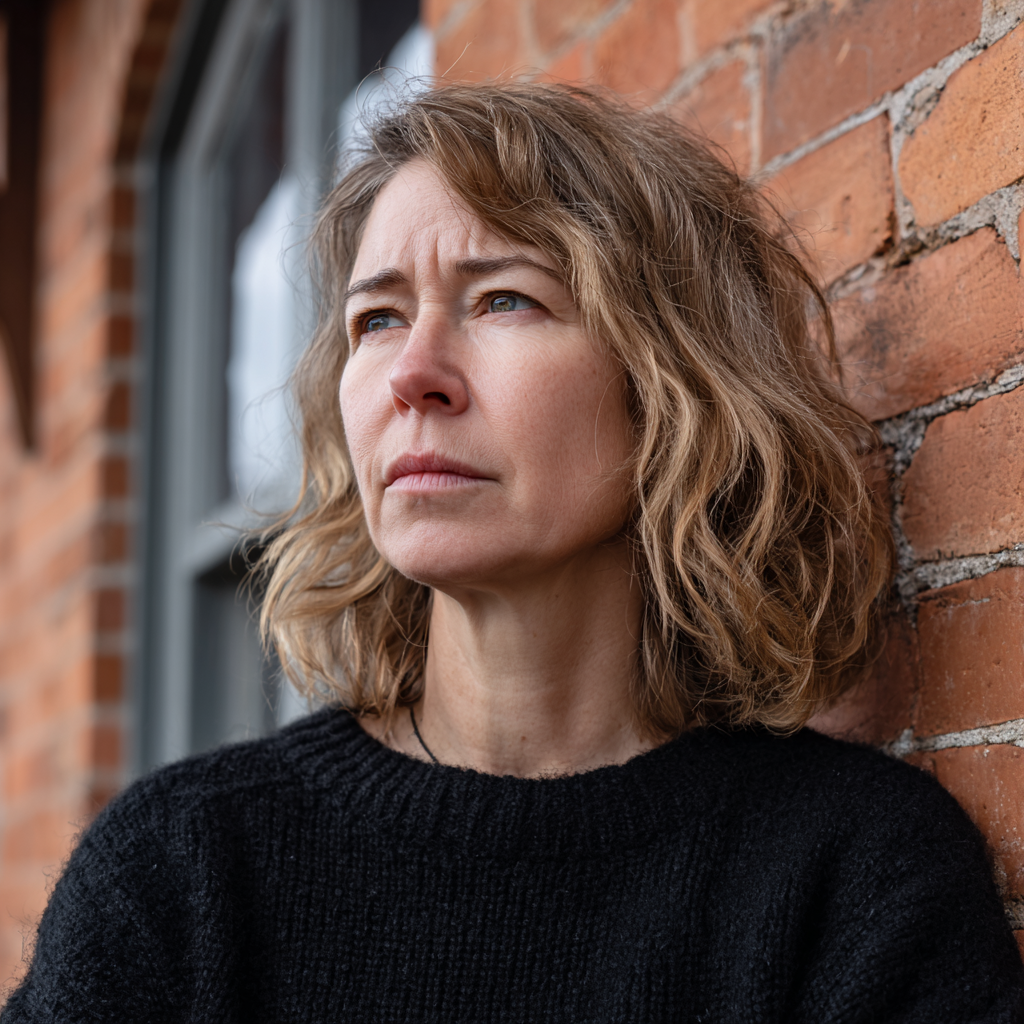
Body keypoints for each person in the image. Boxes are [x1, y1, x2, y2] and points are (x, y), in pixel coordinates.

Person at [3, 82, 1022, 1022]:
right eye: (376, 318)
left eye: (504, 299)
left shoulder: (854, 876)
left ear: (672, 381)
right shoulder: (183, 866)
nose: (413, 374)